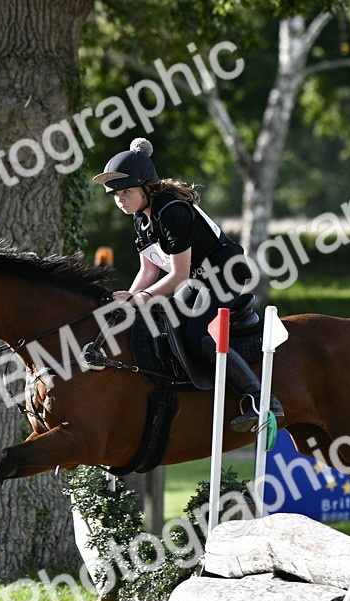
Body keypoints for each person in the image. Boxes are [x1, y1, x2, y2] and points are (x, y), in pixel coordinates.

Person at [92, 137, 284, 433]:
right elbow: (148, 270)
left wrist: (140, 297)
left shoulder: (171, 210)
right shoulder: (141, 218)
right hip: (197, 281)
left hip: (223, 273)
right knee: (162, 324)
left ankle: (261, 400)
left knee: (198, 337)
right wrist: (129, 297)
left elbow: (178, 275)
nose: (120, 200)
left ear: (146, 187)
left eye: (126, 191)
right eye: (116, 194)